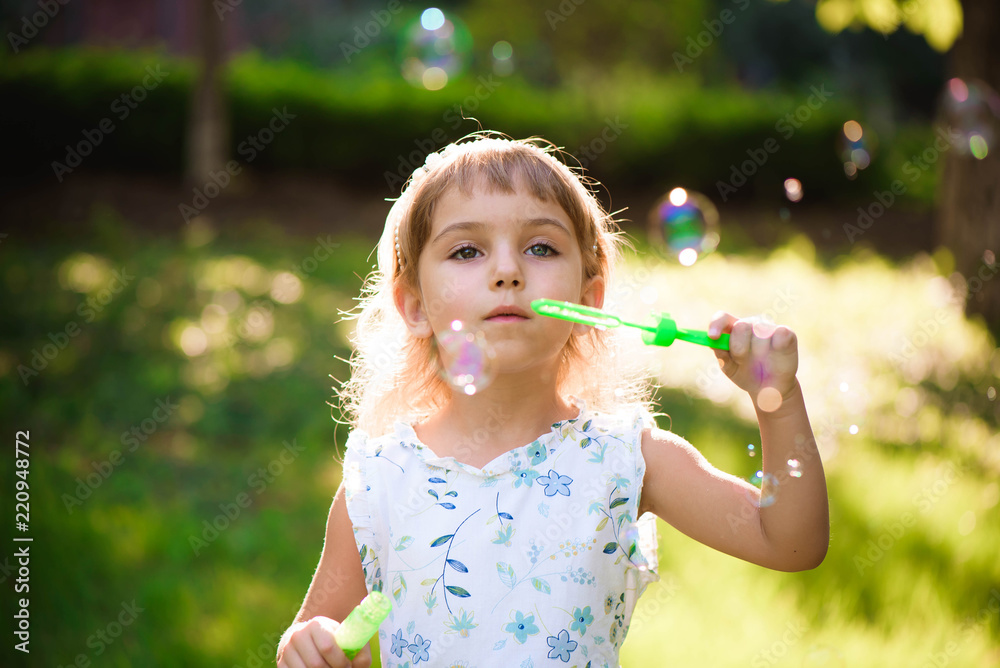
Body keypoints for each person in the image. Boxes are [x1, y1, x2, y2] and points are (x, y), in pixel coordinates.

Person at [276, 133, 829, 668]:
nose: (508, 272)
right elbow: (313, 637)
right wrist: (311, 647)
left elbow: (790, 543)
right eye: (467, 250)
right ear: (415, 306)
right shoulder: (379, 481)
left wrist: (775, 398)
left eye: (540, 247)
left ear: (590, 297)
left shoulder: (624, 458)